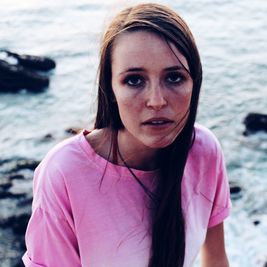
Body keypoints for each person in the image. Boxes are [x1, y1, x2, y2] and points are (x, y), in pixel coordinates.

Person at [22, 3, 231, 267]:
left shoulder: (204, 151)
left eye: (174, 78)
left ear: (195, 82)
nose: (156, 101)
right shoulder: (65, 172)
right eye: (134, 80)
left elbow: (215, 259)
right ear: (110, 89)